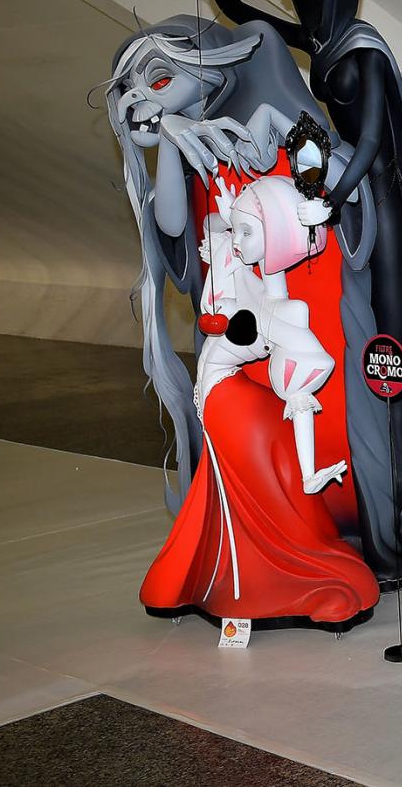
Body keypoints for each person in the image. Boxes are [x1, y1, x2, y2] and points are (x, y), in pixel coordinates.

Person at [175, 0, 402, 583]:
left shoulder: (364, 48)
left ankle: (398, 519)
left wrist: (334, 198)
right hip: (350, 198)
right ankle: (367, 497)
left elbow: (371, 141)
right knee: (363, 347)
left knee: (390, 351)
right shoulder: (324, 39)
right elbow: (251, 20)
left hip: (383, 203)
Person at [140, 177, 378, 624]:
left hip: (231, 403)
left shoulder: (280, 307)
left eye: (249, 232)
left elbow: (305, 382)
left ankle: (261, 578)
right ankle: (234, 575)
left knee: (251, 492)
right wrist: (233, 218)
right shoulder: (240, 272)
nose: (237, 238)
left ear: (278, 238)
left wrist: (309, 472)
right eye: (240, 230)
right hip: (223, 398)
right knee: (237, 491)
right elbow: (213, 226)